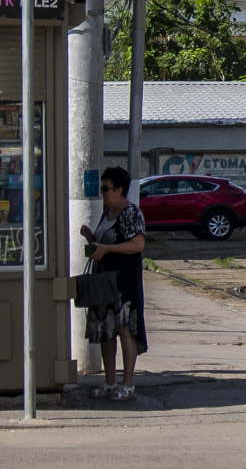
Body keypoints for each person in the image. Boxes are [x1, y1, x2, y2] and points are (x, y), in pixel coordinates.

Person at [79, 166, 148, 401]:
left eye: (106, 188)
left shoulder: (131, 213)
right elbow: (103, 242)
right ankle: (110, 381)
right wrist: (91, 238)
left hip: (124, 282)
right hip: (104, 282)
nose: (103, 193)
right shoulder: (108, 211)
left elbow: (137, 245)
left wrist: (107, 248)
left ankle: (128, 384)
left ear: (119, 189)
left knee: (125, 329)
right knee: (105, 331)